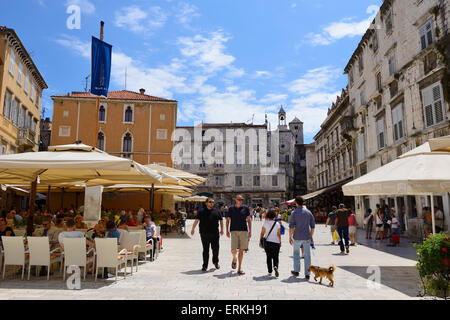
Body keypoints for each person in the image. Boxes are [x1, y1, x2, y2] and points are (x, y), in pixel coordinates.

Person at [191, 197, 224, 272]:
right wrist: (193, 229)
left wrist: (222, 230)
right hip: (204, 233)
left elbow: (221, 220)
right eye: (210, 202)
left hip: (215, 233)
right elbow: (196, 220)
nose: (212, 203)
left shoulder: (217, 211)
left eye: (212, 202)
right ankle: (205, 265)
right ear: (206, 203)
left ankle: (215, 262)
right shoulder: (201, 211)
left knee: (215, 249)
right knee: (205, 250)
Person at [289, 196, 314, 279]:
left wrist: (290, 236)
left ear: (296, 203)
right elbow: (313, 226)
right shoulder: (308, 212)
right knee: (307, 255)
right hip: (306, 236)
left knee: (296, 254)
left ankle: (296, 271)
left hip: (297, 236)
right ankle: (307, 273)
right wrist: (311, 236)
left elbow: (291, 226)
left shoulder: (294, 213)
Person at [226, 195, 251, 276]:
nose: (240, 201)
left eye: (241, 199)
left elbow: (249, 220)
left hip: (244, 231)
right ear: (235, 200)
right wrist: (226, 230)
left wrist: (250, 231)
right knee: (233, 249)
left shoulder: (245, 208)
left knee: (241, 250)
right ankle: (234, 258)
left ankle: (239, 268)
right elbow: (227, 220)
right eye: (239, 199)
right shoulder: (231, 208)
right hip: (234, 231)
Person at [259, 209, 281, 277]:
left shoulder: (265, 223)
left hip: (268, 242)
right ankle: (275, 266)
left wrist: (260, 241)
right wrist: (280, 242)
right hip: (276, 242)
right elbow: (279, 234)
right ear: (274, 216)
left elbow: (262, 233)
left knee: (268, 257)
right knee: (276, 257)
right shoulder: (277, 224)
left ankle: (270, 271)